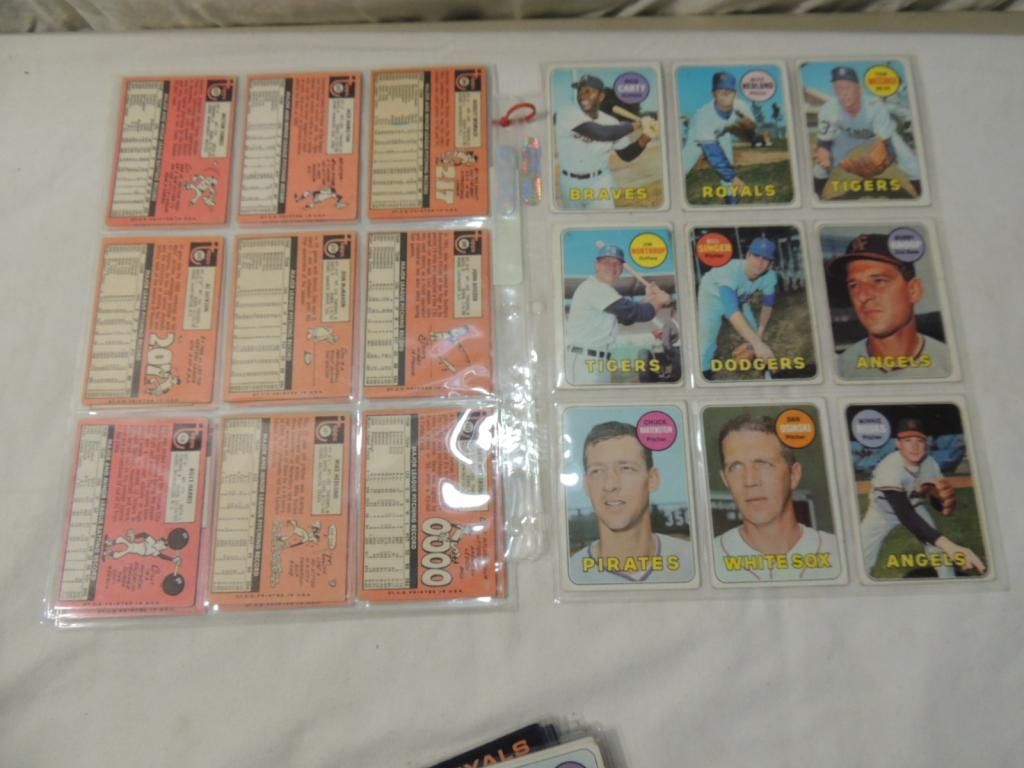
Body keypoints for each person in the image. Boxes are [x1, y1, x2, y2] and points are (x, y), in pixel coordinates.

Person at [714, 415, 840, 582]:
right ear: (725, 479)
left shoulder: (838, 552)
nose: (750, 481)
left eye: (764, 464)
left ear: (794, 475)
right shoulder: (707, 559)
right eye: (735, 467)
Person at [568, 421, 694, 585]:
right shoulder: (572, 573)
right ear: (586, 485)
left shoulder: (690, 560)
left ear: (652, 479)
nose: (610, 485)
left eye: (626, 468)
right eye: (597, 471)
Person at [860, 417, 985, 578]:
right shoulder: (890, 467)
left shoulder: (930, 464)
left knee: (938, 550)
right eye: (908, 440)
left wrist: (938, 499)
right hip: (882, 513)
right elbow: (905, 514)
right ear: (898, 444)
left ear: (926, 443)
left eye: (920, 440)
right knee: (860, 557)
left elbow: (936, 504)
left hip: (916, 506)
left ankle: (948, 581)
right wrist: (951, 546)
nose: (914, 446)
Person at [828, 233, 951, 379]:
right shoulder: (840, 370)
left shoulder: (950, 364)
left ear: (913, 291)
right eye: (854, 285)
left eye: (879, 281)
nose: (863, 296)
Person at [564, 243, 671, 385]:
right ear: (597, 265)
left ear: (621, 269)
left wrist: (649, 299)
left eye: (617, 264)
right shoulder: (593, 287)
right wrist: (660, 301)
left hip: (596, 361)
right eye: (607, 263)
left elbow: (626, 318)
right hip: (583, 361)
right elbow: (635, 312)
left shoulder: (606, 292)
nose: (612, 268)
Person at [811, 66, 921, 198]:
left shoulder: (874, 107)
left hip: (876, 135)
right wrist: (823, 151)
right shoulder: (829, 109)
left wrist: (884, 161)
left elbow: (886, 141)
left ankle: (923, 193)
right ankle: (814, 196)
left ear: (859, 89)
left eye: (847, 87)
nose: (843, 92)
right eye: (838, 88)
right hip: (848, 136)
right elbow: (825, 141)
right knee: (820, 167)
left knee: (910, 163)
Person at [554, 74, 654, 210]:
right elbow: (603, 133)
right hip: (569, 183)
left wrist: (646, 137)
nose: (582, 95)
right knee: (574, 222)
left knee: (604, 220)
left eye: (588, 91)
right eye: (580, 91)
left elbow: (627, 155)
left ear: (601, 96)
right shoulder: (567, 114)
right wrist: (637, 124)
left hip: (599, 182)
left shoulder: (611, 122)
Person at [696, 236, 778, 378]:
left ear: (771, 264)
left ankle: (768, 376)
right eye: (756, 256)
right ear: (748, 255)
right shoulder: (730, 271)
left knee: (755, 336)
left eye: (765, 259)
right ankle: (704, 374)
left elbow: (767, 305)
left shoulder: (770, 277)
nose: (759, 262)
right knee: (706, 341)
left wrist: (759, 334)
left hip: (739, 297)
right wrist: (756, 343)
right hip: (711, 296)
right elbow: (731, 311)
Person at [681, 71, 757, 203]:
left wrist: (747, 124)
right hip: (699, 136)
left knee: (728, 169)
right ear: (713, 94)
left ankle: (732, 204)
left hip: (722, 132)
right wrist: (733, 178)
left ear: (735, 94)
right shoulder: (703, 115)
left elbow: (752, 127)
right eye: (721, 91)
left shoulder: (741, 106)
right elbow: (713, 152)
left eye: (729, 91)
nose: (725, 94)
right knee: (683, 166)